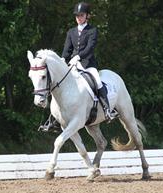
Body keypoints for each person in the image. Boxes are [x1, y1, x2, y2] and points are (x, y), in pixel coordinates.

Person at [39, 2, 116, 132]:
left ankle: (108, 110)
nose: (79, 18)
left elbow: (90, 48)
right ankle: (53, 120)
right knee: (58, 84)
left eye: (81, 15)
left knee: (97, 82)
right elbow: (67, 50)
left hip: (88, 65)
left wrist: (79, 56)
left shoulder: (92, 30)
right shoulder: (71, 32)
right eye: (77, 16)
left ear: (87, 16)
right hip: (72, 65)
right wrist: (63, 59)